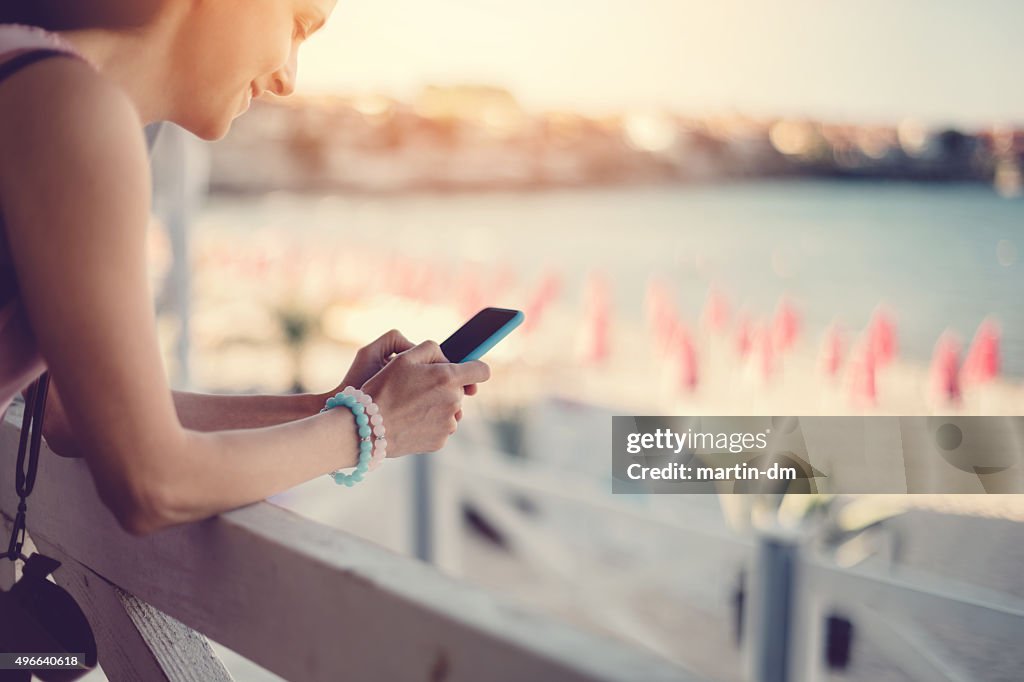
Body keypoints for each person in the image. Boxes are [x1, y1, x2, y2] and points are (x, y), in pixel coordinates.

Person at [0, 1, 490, 535]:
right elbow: (153, 483)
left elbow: (67, 415)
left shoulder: (31, 78)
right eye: (298, 26)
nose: (288, 79)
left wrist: (332, 406)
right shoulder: (70, 108)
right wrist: (370, 425)